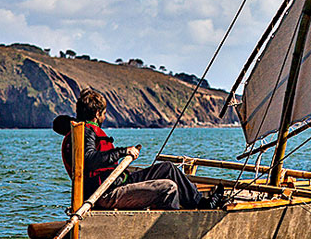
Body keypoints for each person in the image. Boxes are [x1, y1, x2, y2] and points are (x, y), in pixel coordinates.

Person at [53, 89, 223, 211]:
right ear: (97, 113)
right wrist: (123, 151)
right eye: (103, 113)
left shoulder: (78, 129)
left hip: (115, 183)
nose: (104, 117)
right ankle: (173, 228)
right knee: (168, 187)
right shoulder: (86, 132)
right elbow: (89, 159)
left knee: (168, 168)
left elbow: (59, 124)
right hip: (103, 193)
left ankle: (201, 203)